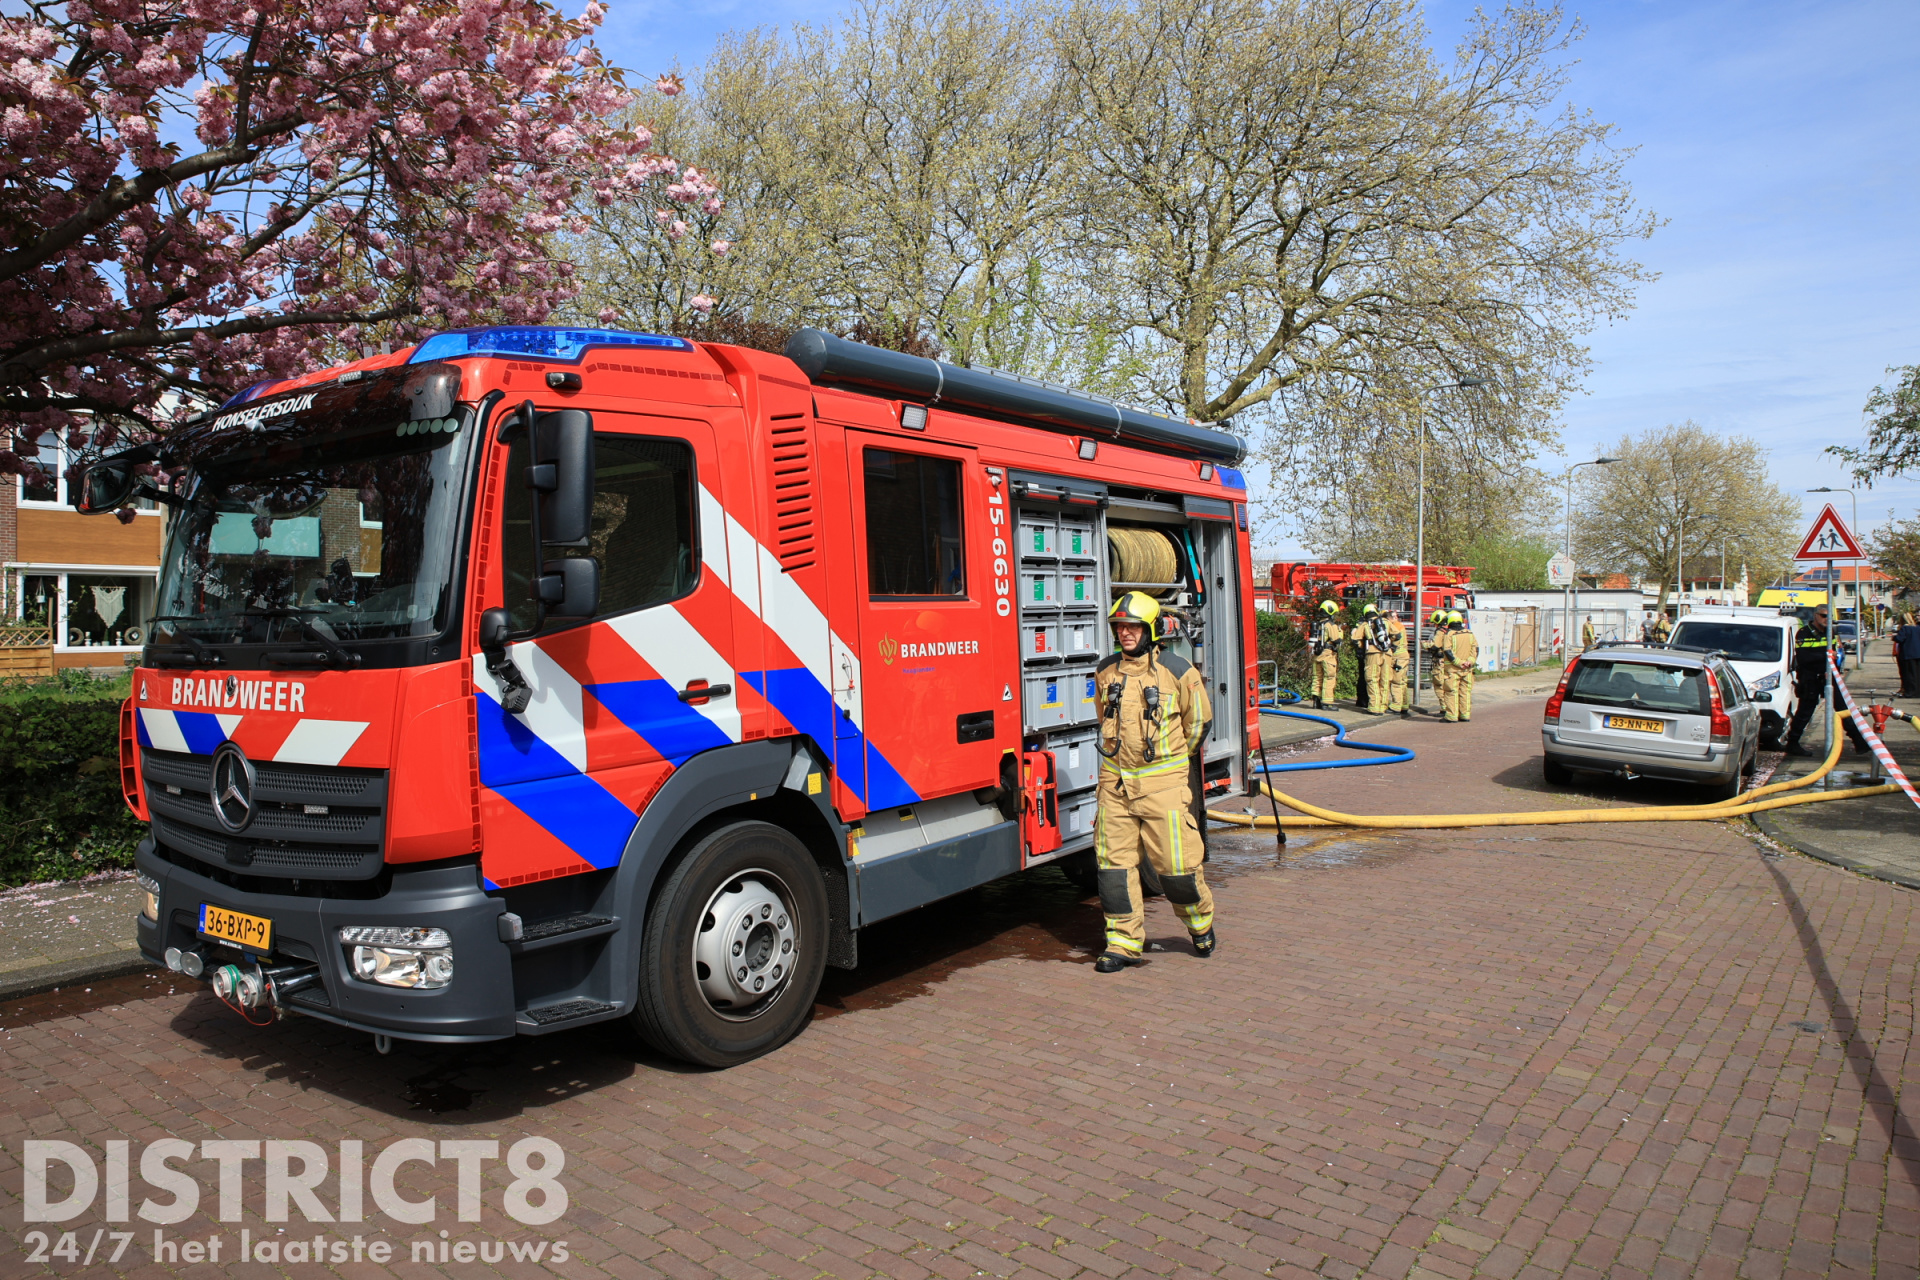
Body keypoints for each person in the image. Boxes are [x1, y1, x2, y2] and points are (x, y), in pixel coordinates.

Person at [1090, 592, 1216, 973]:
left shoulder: (1177, 672)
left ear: (1150, 630)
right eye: (1120, 627)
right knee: (1114, 867)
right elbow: (1103, 717)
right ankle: (1123, 943)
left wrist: (1170, 765)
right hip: (1116, 786)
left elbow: (1199, 723)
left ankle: (1200, 923)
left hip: (1163, 786)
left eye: (1133, 626)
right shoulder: (1106, 672)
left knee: (1177, 867)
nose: (1125, 633)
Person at [1783, 605, 1869, 756]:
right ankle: (1793, 743)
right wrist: (1825, 656)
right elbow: (1803, 658)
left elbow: (1834, 654)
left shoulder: (1831, 632)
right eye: (1823, 616)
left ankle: (1859, 742)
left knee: (1843, 709)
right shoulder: (1804, 633)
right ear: (1815, 615)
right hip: (1810, 677)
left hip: (1828, 676)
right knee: (1805, 711)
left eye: (1830, 616)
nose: (1827, 619)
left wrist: (1833, 668)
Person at [1438, 610, 1479, 722]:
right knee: (1465, 692)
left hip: (1453, 670)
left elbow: (1448, 651)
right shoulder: (1469, 633)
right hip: (1468, 669)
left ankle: (1452, 716)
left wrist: (1459, 663)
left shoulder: (1449, 634)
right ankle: (1465, 715)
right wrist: (1469, 662)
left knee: (1451, 692)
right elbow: (1475, 649)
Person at [1358, 602, 1395, 714]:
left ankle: (1374, 707)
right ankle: (1383, 706)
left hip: (1372, 654)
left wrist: (1362, 648)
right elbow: (1397, 635)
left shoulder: (1365, 624)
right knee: (1385, 680)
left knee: (1372, 679)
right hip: (1387, 654)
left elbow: (1355, 639)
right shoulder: (1386, 622)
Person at [1309, 599, 1345, 711]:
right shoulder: (1330, 625)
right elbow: (1336, 640)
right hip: (1327, 654)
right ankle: (1327, 703)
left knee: (1317, 677)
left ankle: (1316, 702)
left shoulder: (1318, 624)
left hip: (1317, 654)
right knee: (1329, 678)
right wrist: (1340, 633)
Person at [1898, 612, 1920, 698]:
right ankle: (1917, 692)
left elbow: (1900, 639)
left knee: (1909, 674)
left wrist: (1894, 637)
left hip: (1908, 654)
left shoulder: (1905, 628)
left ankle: (1910, 692)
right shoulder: (1917, 628)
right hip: (1918, 654)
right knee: (1917, 674)